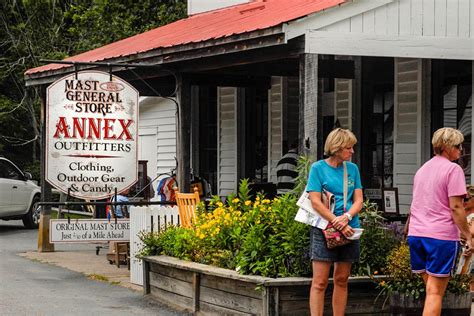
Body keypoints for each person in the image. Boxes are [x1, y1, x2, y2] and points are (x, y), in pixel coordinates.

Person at [407, 127, 472, 316]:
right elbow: (456, 207)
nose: (461, 150)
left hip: (417, 235)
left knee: (431, 290)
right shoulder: (453, 169)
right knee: (435, 293)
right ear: (448, 147)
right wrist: (467, 235)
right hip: (440, 237)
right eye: (459, 146)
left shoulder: (422, 170)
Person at [306, 128, 363, 316]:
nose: (352, 151)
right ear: (337, 148)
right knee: (320, 281)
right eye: (349, 148)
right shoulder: (318, 168)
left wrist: (346, 218)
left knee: (342, 278)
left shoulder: (352, 170)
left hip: (349, 228)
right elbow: (315, 200)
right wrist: (335, 221)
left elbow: (359, 200)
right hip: (324, 228)